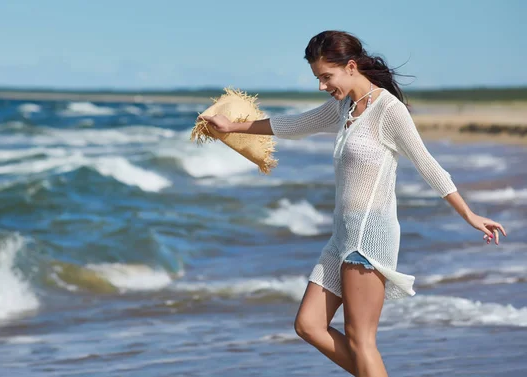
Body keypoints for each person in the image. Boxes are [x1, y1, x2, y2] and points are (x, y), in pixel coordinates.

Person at [198, 30, 507, 377]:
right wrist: (232, 126)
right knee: (309, 325)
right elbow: (294, 124)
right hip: (342, 238)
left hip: (368, 238)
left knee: (362, 341)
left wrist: (469, 214)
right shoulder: (343, 107)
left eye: (326, 77)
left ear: (350, 66)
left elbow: (427, 163)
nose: (321, 86)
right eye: (318, 78)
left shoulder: (389, 110)